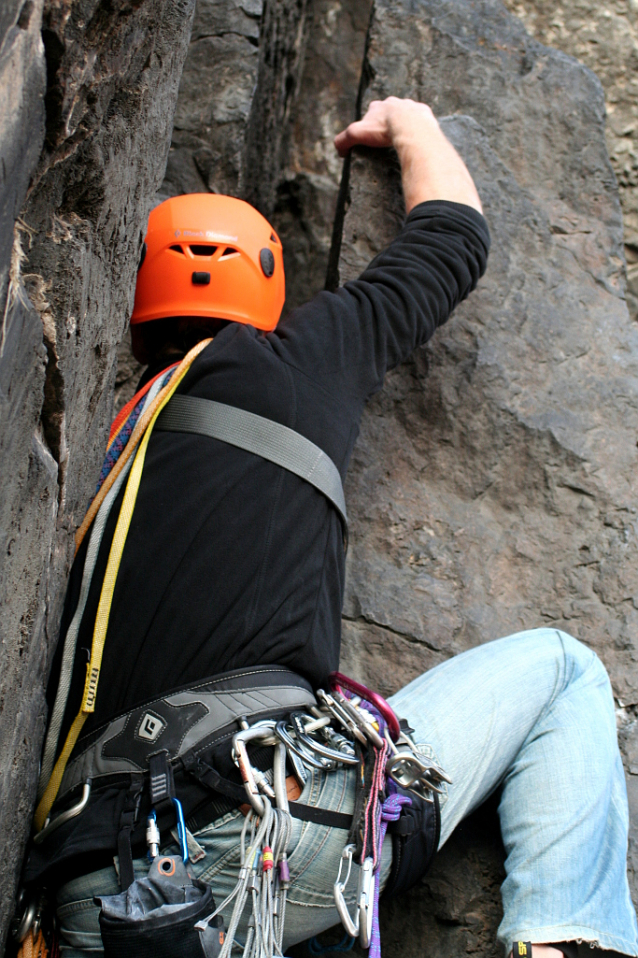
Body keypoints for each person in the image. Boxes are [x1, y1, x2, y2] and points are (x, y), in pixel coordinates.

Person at [24, 97, 638, 958]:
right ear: (267, 282)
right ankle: (569, 941)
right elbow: (452, 239)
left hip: (92, 906)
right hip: (267, 844)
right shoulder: (297, 363)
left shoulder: (103, 452)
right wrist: (412, 123)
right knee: (564, 670)